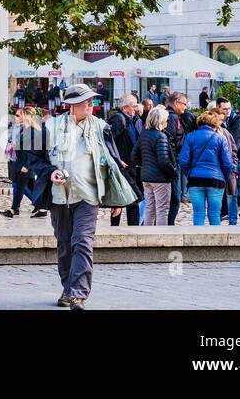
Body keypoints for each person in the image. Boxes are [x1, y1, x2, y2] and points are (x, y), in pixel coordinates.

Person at [46, 83, 128, 310]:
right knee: (64, 244)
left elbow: (112, 162)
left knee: (82, 242)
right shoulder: (51, 126)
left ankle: (78, 295)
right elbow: (37, 160)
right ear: (72, 105)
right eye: (87, 101)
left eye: (93, 101)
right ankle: (68, 288)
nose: (92, 105)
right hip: (59, 196)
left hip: (88, 196)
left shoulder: (102, 127)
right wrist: (50, 172)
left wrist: (115, 199)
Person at [178, 110, 235, 226]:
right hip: (216, 179)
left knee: (198, 213)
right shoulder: (220, 138)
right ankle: (217, 242)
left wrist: (189, 174)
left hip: (195, 179)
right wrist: (224, 176)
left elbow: (183, 160)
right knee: (214, 214)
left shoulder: (191, 136)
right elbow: (228, 163)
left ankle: (198, 242)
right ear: (215, 124)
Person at [3, 107, 51, 218]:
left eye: (25, 115)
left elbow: (33, 150)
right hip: (19, 163)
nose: (24, 117)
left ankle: (14, 209)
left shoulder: (33, 131)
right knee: (29, 188)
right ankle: (41, 207)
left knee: (18, 186)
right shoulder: (24, 129)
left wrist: (27, 165)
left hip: (26, 164)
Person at [133, 104, 176, 226]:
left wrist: (146, 164)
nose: (167, 122)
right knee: (162, 210)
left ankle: (148, 235)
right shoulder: (161, 136)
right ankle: (161, 238)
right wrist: (173, 172)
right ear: (161, 121)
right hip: (160, 178)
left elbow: (134, 156)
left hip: (146, 176)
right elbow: (163, 160)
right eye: (166, 120)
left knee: (150, 208)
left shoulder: (144, 135)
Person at [107, 95, 142, 226]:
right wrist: (117, 159)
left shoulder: (130, 119)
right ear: (125, 107)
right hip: (122, 165)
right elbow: (109, 141)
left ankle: (133, 227)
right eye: (134, 106)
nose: (136, 108)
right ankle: (115, 227)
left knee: (133, 198)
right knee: (122, 198)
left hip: (131, 164)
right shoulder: (118, 119)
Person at [164, 93, 194, 224]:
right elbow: (170, 142)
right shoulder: (172, 118)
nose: (185, 107)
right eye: (184, 104)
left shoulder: (174, 117)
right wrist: (174, 161)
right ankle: (169, 225)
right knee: (174, 198)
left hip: (173, 162)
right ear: (176, 103)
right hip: (172, 163)